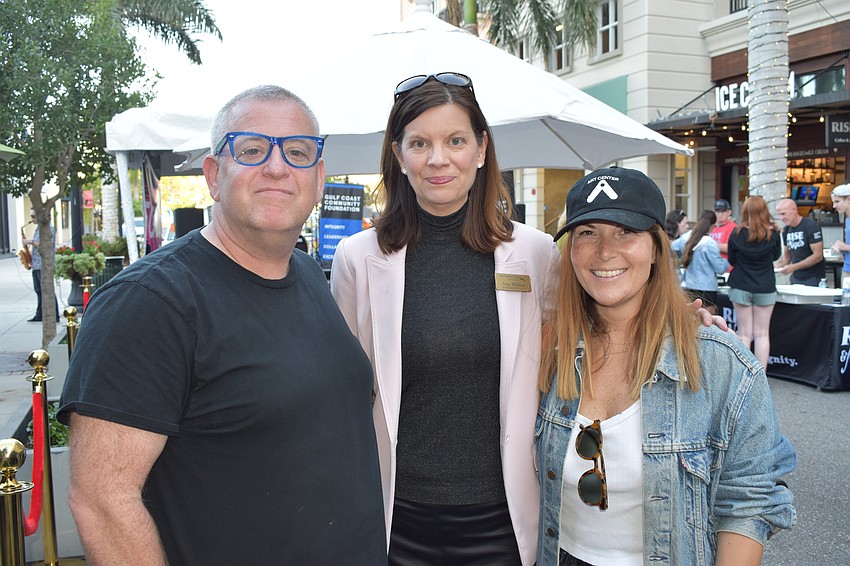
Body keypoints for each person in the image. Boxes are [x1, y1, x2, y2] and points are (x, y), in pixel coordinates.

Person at [58, 86, 387, 565]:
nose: (277, 167)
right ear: (213, 175)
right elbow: (102, 500)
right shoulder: (149, 302)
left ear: (318, 179)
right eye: (251, 149)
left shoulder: (310, 276)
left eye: (297, 152)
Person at [330, 72, 561, 565]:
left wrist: (689, 323)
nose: (438, 159)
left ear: (481, 149)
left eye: (455, 140)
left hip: (503, 515)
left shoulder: (536, 253)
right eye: (419, 143)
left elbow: (581, 342)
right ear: (398, 154)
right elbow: (347, 388)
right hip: (398, 515)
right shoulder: (357, 257)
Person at [536, 167, 796, 566]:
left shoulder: (720, 363)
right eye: (587, 232)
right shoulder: (548, 349)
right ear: (570, 250)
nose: (605, 250)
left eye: (626, 231)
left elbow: (748, 501)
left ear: (657, 248)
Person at [727, 196, 782, 370]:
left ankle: (743, 374)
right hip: (765, 285)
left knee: (744, 333)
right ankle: (761, 376)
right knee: (762, 334)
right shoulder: (773, 233)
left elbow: (732, 259)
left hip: (741, 283)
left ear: (745, 211)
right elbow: (776, 256)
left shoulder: (736, 233)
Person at [672, 209, 729, 314]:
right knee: (707, 321)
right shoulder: (710, 243)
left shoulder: (686, 238)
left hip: (688, 285)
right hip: (707, 288)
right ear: (712, 225)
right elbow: (720, 268)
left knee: (690, 319)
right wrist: (729, 259)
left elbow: (670, 248)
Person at [775, 198, 826, 286]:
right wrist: (774, 267)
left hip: (813, 277)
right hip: (796, 277)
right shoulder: (786, 230)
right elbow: (787, 258)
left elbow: (818, 256)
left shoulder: (810, 226)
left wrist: (794, 267)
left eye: (784, 214)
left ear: (794, 210)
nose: (781, 218)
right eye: (779, 215)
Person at [22, 209, 59, 323]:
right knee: (39, 290)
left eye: (33, 216)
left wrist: (29, 241)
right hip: (37, 264)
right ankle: (40, 314)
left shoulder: (48, 229)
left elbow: (43, 244)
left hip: (44, 264)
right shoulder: (38, 228)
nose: (32, 219)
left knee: (47, 289)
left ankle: (54, 314)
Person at [829, 183, 850, 285]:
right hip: (846, 268)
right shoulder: (847, 220)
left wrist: (844, 247)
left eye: (837, 201)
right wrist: (840, 249)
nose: (834, 206)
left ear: (848, 199)